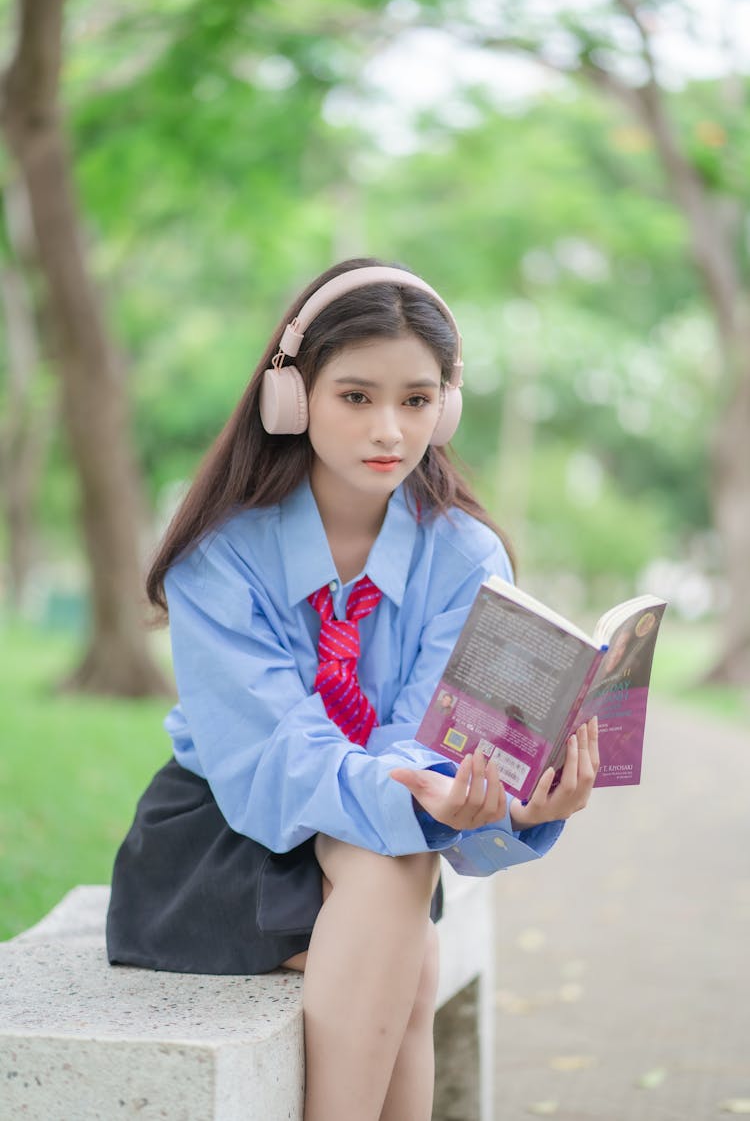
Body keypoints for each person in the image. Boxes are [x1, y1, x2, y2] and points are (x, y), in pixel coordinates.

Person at [106, 257, 599, 1121]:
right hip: (224, 833)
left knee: (394, 877)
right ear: (291, 398)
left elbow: (428, 748)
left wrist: (515, 806)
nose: (390, 430)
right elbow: (276, 754)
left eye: (416, 400)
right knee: (403, 916)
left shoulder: (465, 557)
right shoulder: (220, 555)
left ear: (445, 405)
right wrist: (424, 800)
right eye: (356, 396)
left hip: (384, 842)